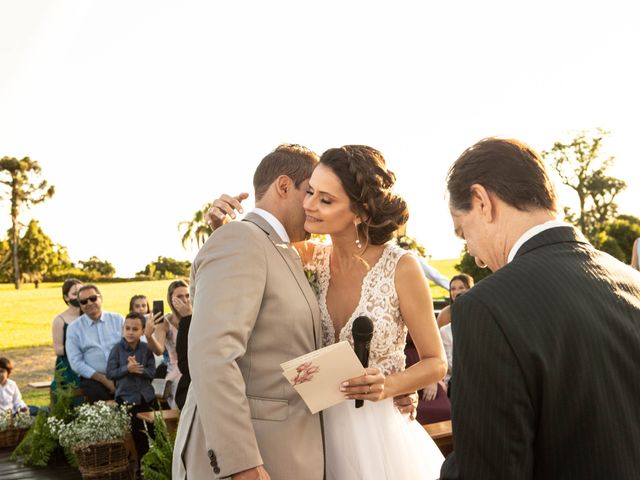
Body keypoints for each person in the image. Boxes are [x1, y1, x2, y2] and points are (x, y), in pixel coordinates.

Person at [207, 145, 447, 479]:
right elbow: (247, 254)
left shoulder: (401, 267)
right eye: (311, 193)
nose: (308, 205)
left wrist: (391, 385)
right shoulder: (308, 257)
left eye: (325, 199)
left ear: (360, 211)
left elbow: (436, 362)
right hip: (311, 436)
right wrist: (224, 225)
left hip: (379, 438)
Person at [440, 137, 640, 479]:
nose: (473, 254)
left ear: (482, 201)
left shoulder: (484, 308)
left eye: (463, 232)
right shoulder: (632, 282)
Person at [172, 144, 324, 480]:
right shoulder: (241, 239)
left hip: (289, 450)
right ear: (284, 186)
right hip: (253, 460)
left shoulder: (282, 251)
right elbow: (213, 354)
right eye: (310, 192)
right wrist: (240, 462)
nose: (315, 206)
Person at [107, 312, 156, 462]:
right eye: (127, 328)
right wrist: (127, 369)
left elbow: (152, 372)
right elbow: (110, 373)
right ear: (123, 329)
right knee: (138, 433)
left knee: (155, 432)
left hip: (146, 397)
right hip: (127, 399)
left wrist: (138, 370)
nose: (130, 332)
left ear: (142, 331)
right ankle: (143, 465)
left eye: (135, 329)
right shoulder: (117, 349)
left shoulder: (146, 349)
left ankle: (158, 464)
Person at [65, 284, 125, 402]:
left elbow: (130, 348)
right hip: (94, 378)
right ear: (80, 306)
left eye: (93, 298)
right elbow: (76, 362)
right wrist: (103, 379)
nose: (89, 303)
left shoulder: (118, 319)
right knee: (99, 399)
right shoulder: (74, 328)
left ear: (100, 298)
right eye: (83, 301)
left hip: (121, 373)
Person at [144, 280, 190, 408]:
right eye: (179, 297)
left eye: (187, 295)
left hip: (195, 367)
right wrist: (148, 335)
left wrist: (189, 316)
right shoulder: (165, 323)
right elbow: (159, 350)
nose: (184, 300)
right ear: (171, 300)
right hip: (176, 369)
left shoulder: (196, 317)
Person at [51, 278, 83, 397]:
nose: (79, 297)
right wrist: (79, 348)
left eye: (81, 293)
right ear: (66, 297)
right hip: (68, 367)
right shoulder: (60, 320)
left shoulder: (89, 317)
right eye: (75, 294)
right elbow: (58, 349)